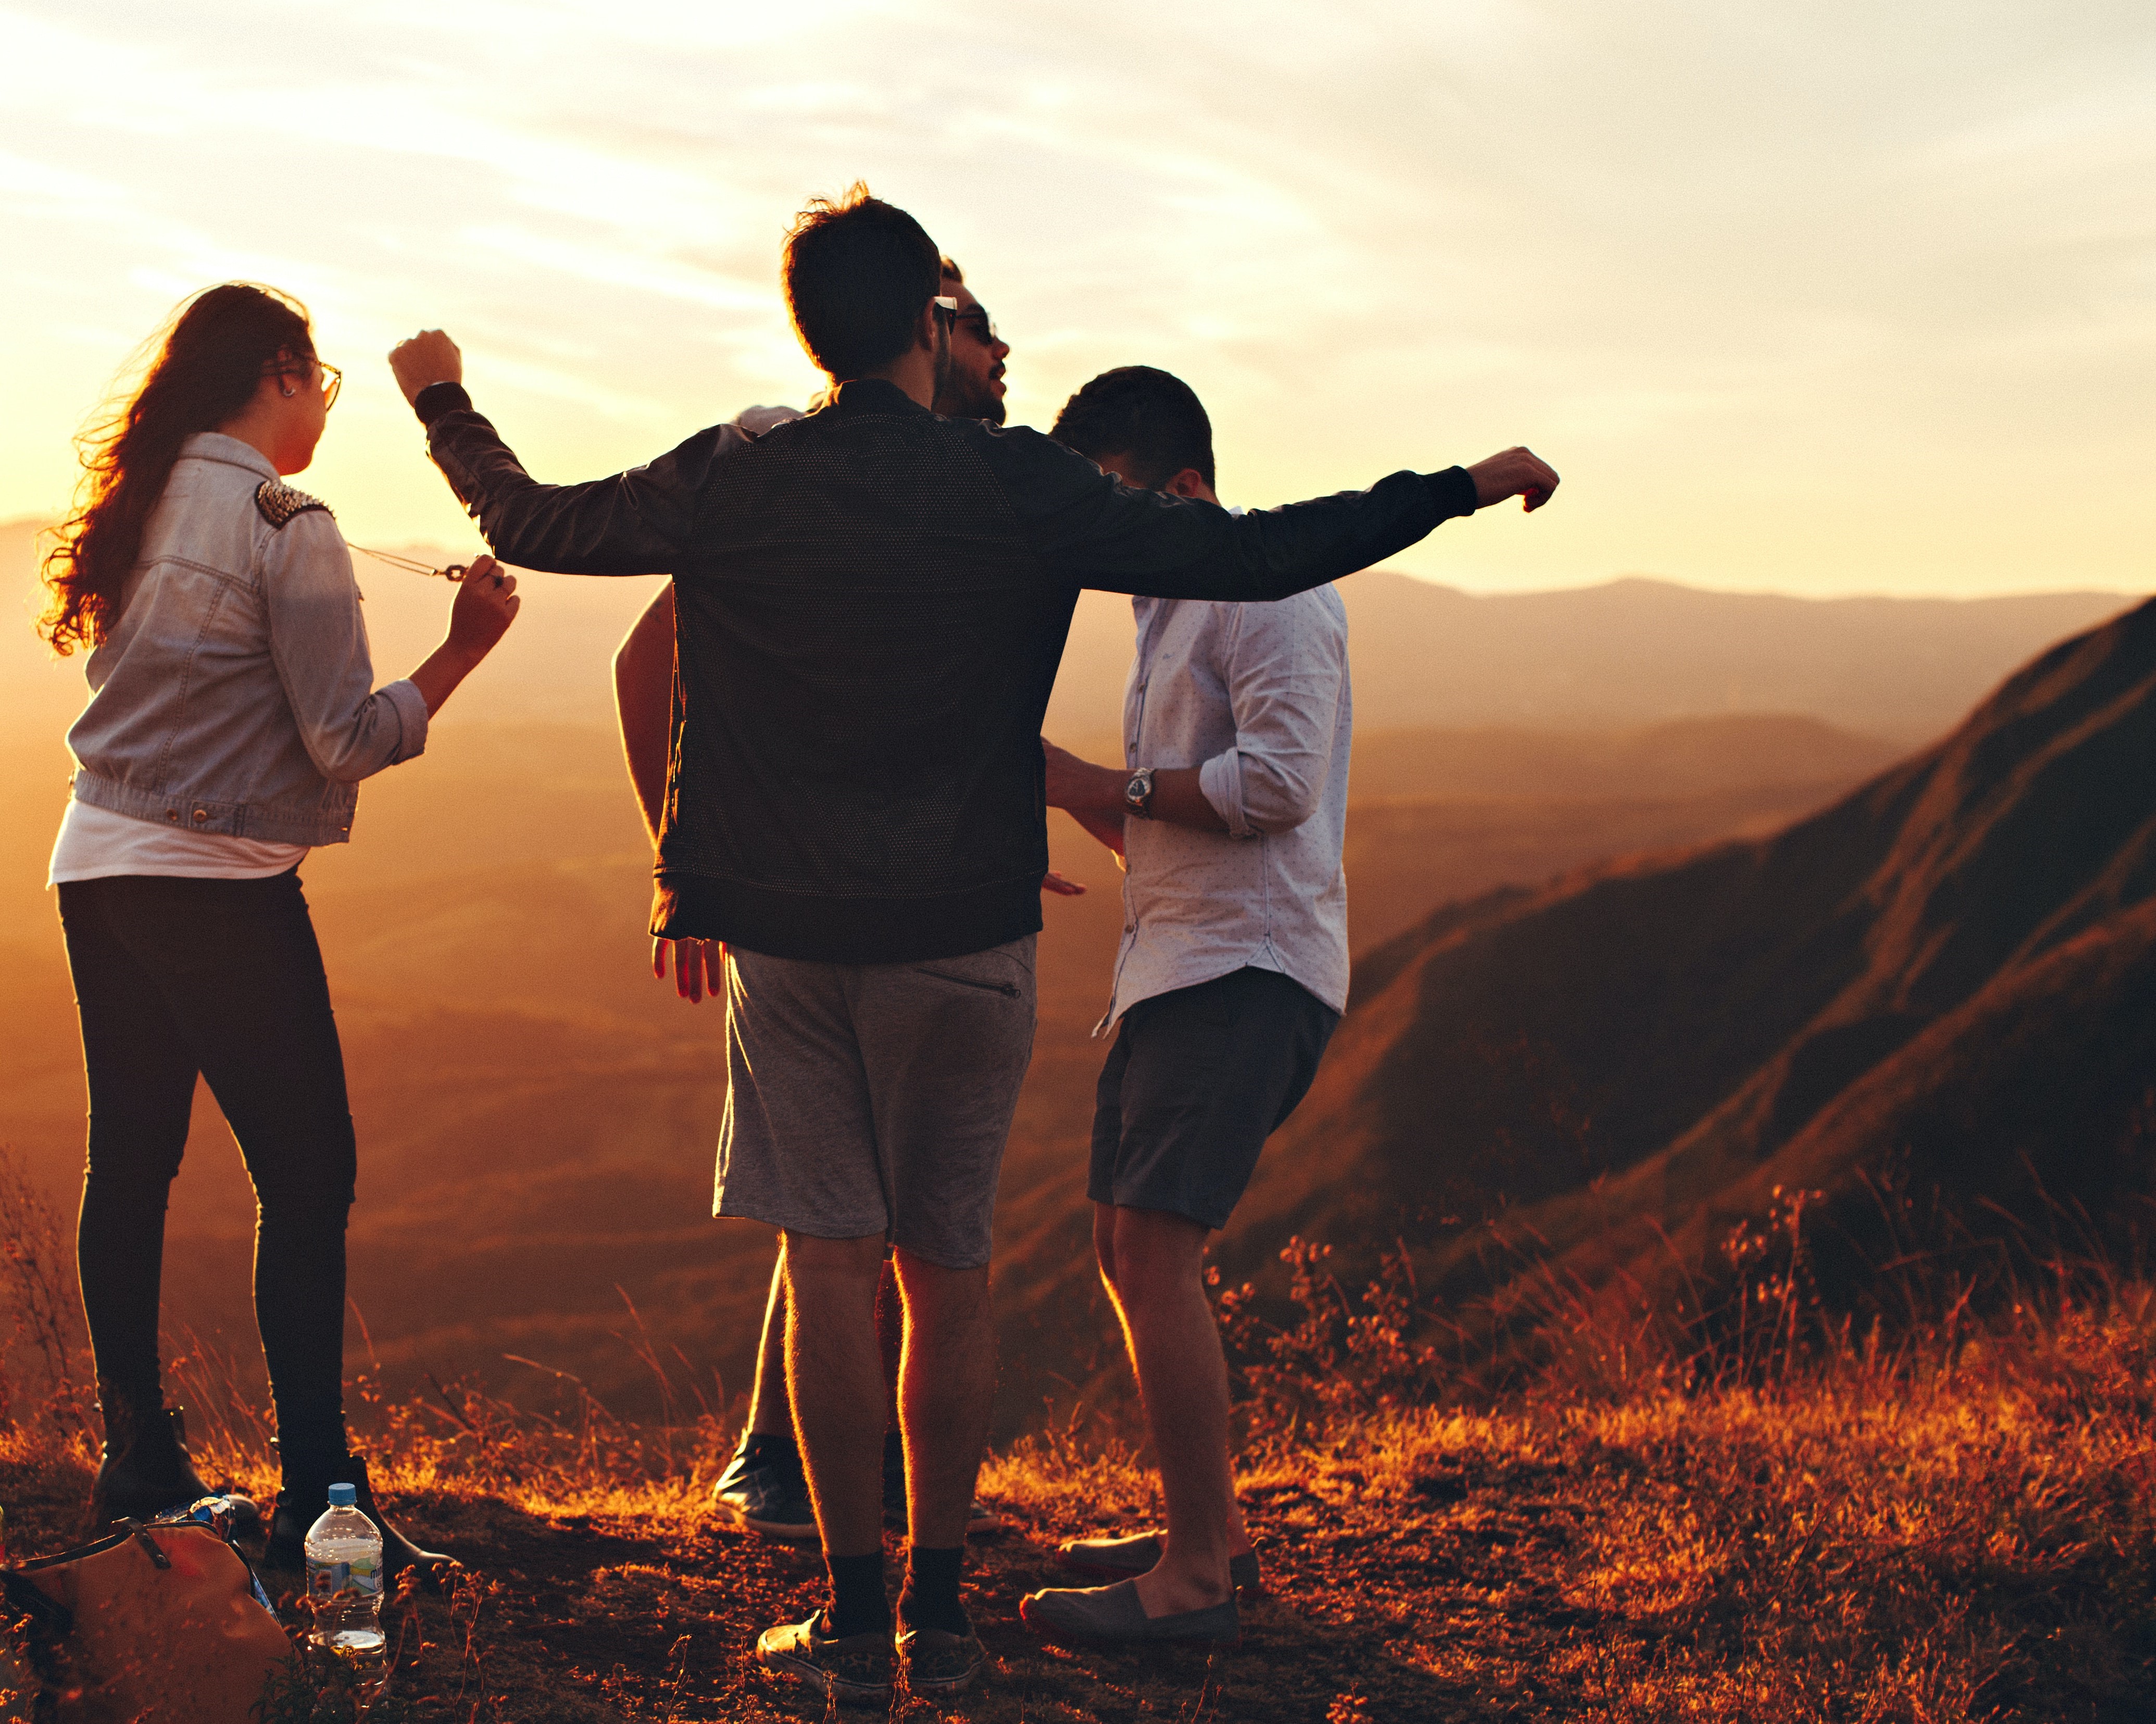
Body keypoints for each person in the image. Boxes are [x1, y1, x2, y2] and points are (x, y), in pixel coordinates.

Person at [386, 180, 1552, 1705]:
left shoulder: (737, 476)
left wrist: (442, 401)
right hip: (968, 931)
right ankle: (940, 1610)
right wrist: (1454, 485)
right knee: (952, 1275)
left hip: (791, 937)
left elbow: (536, 521)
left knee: (829, 1266)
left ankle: (853, 1621)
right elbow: (1262, 550)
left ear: (812, 326)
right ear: (931, 327)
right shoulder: (1011, 484)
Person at [38, 282, 519, 1575]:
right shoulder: (287, 523)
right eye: (323, 384)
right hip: (219, 881)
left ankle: (138, 1460)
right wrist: (466, 647)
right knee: (308, 1174)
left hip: (96, 861)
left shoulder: (143, 498)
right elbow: (346, 737)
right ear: (278, 375)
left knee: (131, 1161)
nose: (324, 410)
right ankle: (324, 1497)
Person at [611, 256, 1033, 1546]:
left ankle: (827, 1510)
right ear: (921, 332)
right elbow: (646, 659)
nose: (1006, 352)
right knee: (862, 1232)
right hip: (819, 909)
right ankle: (796, 1479)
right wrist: (685, 863)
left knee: (846, 1224)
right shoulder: (782, 466)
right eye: (979, 326)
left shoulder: (947, 493)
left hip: (899, 900)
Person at [1019, 366, 1381, 1641]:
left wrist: (1092, 779)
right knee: (1127, 1244)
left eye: (1105, 502)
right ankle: (1206, 1528)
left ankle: (1194, 1583)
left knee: (1157, 1249)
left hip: (1249, 968)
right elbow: (1174, 819)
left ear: (1179, 487)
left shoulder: (1266, 590)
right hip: (1178, 963)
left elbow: (1276, 785)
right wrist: (1073, 800)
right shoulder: (1167, 609)